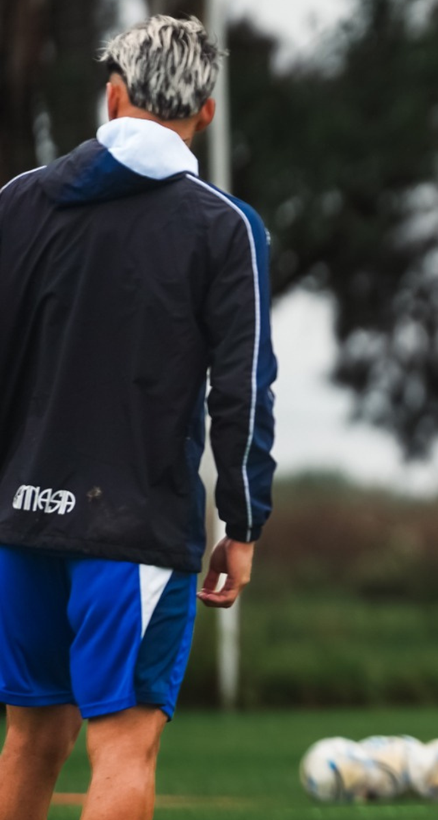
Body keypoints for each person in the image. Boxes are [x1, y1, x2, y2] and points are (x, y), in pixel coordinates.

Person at [0, 15, 274, 820]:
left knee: (29, 738)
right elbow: (244, 390)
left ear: (112, 96)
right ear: (208, 113)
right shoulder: (225, 227)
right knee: (123, 745)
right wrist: (245, 522)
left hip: (19, 518)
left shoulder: (16, 201)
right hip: (135, 529)